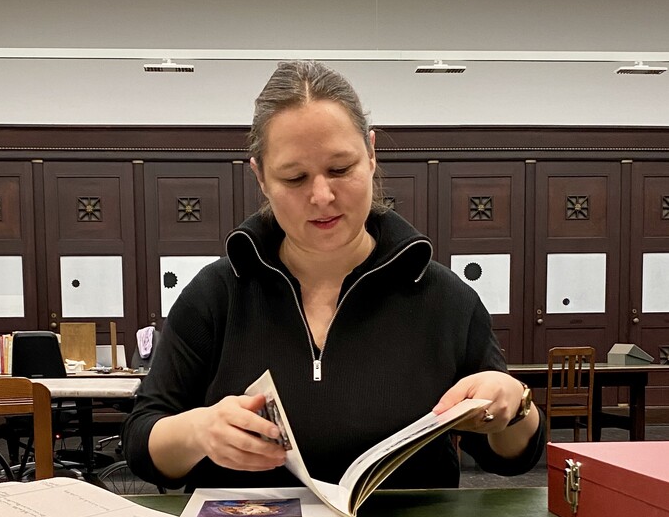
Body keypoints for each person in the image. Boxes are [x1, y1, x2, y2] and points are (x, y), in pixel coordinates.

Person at [123, 61, 544, 491]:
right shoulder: (215, 295)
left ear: (371, 153)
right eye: (294, 178)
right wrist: (197, 432)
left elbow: (511, 458)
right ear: (260, 177)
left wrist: (516, 404)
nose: (322, 196)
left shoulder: (444, 298)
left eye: (340, 169)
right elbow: (141, 442)